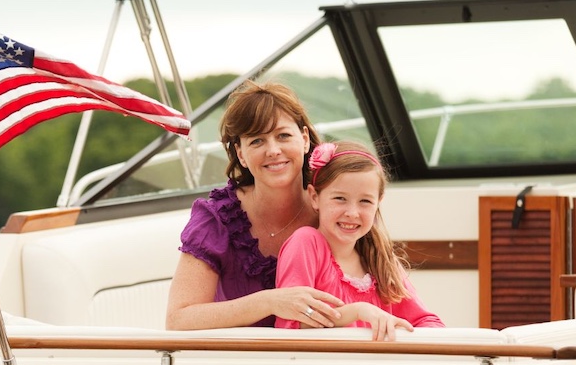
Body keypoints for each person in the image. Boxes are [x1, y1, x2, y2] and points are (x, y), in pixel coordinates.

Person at [166, 80, 345, 330]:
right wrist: (270, 302)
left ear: (304, 139)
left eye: (283, 136)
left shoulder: (337, 207)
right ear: (241, 154)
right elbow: (178, 320)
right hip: (242, 355)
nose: (273, 150)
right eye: (257, 141)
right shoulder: (218, 219)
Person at [274, 141, 444, 341]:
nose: (352, 213)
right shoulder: (306, 243)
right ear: (314, 197)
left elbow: (426, 321)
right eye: (340, 198)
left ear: (378, 203)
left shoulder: (381, 259)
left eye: (365, 201)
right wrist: (358, 311)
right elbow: (293, 322)